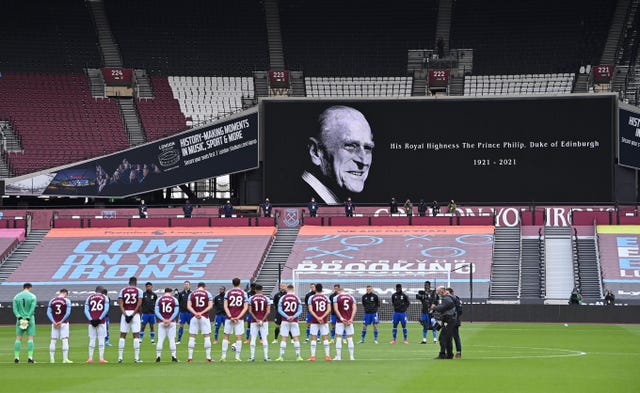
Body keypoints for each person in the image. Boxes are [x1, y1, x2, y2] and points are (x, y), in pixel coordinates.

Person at [301, 105, 375, 204]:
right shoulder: (295, 199)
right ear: (315, 152)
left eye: (367, 148)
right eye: (350, 146)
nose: (364, 161)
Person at [220, 277, 249, 362]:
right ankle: (237, 357)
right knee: (238, 337)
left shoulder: (228, 292)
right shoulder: (243, 293)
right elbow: (245, 307)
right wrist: (238, 317)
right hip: (239, 319)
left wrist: (230, 316)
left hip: (229, 318)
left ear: (232, 283)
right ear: (239, 283)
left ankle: (223, 356)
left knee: (226, 336)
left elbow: (225, 306)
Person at [117, 276, 143, 363]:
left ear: (129, 282)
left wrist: (125, 315)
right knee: (136, 335)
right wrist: (132, 315)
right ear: (136, 282)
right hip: (135, 314)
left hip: (125, 313)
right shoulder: (139, 291)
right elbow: (139, 304)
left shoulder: (123, 290)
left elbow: (120, 304)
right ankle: (136, 358)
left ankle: (120, 358)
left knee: (122, 335)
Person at [186, 282, 214, 362]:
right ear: (204, 287)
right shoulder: (207, 293)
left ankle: (190, 358)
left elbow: (188, 306)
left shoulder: (192, 294)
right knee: (207, 336)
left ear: (197, 287)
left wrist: (195, 313)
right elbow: (210, 306)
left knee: (192, 337)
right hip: (204, 317)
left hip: (194, 317)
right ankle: (208, 358)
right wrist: (201, 313)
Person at [276, 284, 304, 361]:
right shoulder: (297, 298)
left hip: (285, 320)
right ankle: (298, 356)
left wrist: (287, 316)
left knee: (284, 338)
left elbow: (279, 310)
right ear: (293, 289)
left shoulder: (283, 298)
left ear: (287, 290)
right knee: (295, 338)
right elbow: (300, 310)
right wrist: (293, 316)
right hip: (294, 321)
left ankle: (281, 357)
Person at [430, 286, 457, 359]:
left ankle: (442, 354)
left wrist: (434, 307)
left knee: (442, 338)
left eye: (439, 292)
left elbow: (440, 308)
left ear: (442, 291)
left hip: (449, 320)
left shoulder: (447, 299)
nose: (438, 294)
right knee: (448, 338)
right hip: (450, 320)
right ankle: (449, 354)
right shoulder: (448, 298)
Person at [84, 286, 110, 363]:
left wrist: (91, 319)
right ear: (102, 291)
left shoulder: (89, 297)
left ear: (95, 291)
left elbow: (86, 310)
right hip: (101, 321)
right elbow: (106, 309)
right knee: (101, 339)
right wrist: (99, 319)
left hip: (91, 321)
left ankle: (90, 358)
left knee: (92, 339)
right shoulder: (104, 297)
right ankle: (101, 359)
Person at [13, 283, 37, 363]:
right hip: (30, 319)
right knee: (30, 338)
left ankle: (16, 357)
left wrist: (19, 317)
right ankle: (30, 357)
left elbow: (15, 309)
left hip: (20, 320)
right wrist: (27, 317)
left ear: (23, 288)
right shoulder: (33, 296)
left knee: (18, 338)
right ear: (30, 288)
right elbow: (32, 308)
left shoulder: (16, 297)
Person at [307, 283, 332, 361]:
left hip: (314, 321)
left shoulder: (311, 297)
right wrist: (322, 317)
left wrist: (317, 317)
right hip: (324, 321)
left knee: (313, 338)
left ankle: (313, 356)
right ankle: (327, 356)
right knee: (325, 338)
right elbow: (329, 309)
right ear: (322, 289)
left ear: (315, 289)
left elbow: (310, 310)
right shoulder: (326, 298)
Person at [47, 288, 72, 363]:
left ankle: (52, 359)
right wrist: (61, 321)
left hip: (54, 323)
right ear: (65, 293)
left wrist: (53, 321)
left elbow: (48, 312)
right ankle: (65, 359)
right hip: (63, 323)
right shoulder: (67, 301)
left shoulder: (52, 300)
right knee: (64, 339)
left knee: (53, 340)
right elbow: (68, 313)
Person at [154, 287, 179, 363]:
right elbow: (176, 311)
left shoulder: (159, 299)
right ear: (171, 292)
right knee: (172, 340)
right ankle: (174, 357)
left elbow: (156, 311)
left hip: (162, 322)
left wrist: (163, 319)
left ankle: (158, 356)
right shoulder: (174, 299)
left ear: (164, 292)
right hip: (172, 322)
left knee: (160, 340)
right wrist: (169, 319)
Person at [332, 287, 357, 361]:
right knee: (350, 338)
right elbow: (354, 308)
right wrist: (351, 319)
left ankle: (338, 357)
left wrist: (342, 318)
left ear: (340, 291)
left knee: (339, 337)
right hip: (349, 320)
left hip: (340, 321)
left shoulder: (336, 297)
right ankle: (351, 357)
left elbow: (336, 309)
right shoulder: (351, 297)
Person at [248, 284, 271, 361]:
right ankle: (266, 357)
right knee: (264, 338)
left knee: (253, 338)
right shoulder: (266, 299)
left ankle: (252, 357)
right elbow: (268, 311)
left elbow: (250, 311)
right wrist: (262, 320)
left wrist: (257, 319)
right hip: (264, 321)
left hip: (254, 321)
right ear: (262, 290)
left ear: (255, 290)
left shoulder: (251, 298)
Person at [447, 287, 463, 358]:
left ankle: (450, 353)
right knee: (455, 336)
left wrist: (454, 317)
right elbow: (460, 310)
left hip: (452, 320)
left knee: (450, 337)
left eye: (448, 293)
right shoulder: (457, 299)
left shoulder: (452, 299)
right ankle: (458, 352)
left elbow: (459, 310)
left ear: (451, 293)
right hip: (455, 320)